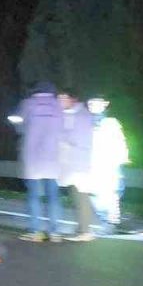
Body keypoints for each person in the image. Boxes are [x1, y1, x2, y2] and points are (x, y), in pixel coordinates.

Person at [9, 82, 70, 242]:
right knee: (53, 196)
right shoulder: (58, 106)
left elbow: (20, 127)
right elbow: (64, 128)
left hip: (33, 156)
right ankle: (55, 232)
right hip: (53, 158)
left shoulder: (27, 104)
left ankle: (35, 231)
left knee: (34, 195)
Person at [55, 92, 96, 241]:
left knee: (81, 195)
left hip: (79, 163)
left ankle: (85, 231)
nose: (60, 101)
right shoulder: (70, 114)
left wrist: (62, 138)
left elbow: (77, 138)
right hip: (71, 163)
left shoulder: (81, 116)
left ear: (73, 99)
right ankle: (82, 229)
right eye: (59, 98)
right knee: (76, 195)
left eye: (63, 98)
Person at [86, 97, 130, 230]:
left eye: (97, 103)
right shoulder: (85, 122)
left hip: (108, 163)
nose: (93, 106)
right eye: (91, 103)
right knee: (93, 194)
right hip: (91, 164)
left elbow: (121, 141)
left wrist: (122, 157)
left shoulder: (111, 122)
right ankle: (106, 219)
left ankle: (112, 222)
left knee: (111, 194)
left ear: (104, 105)